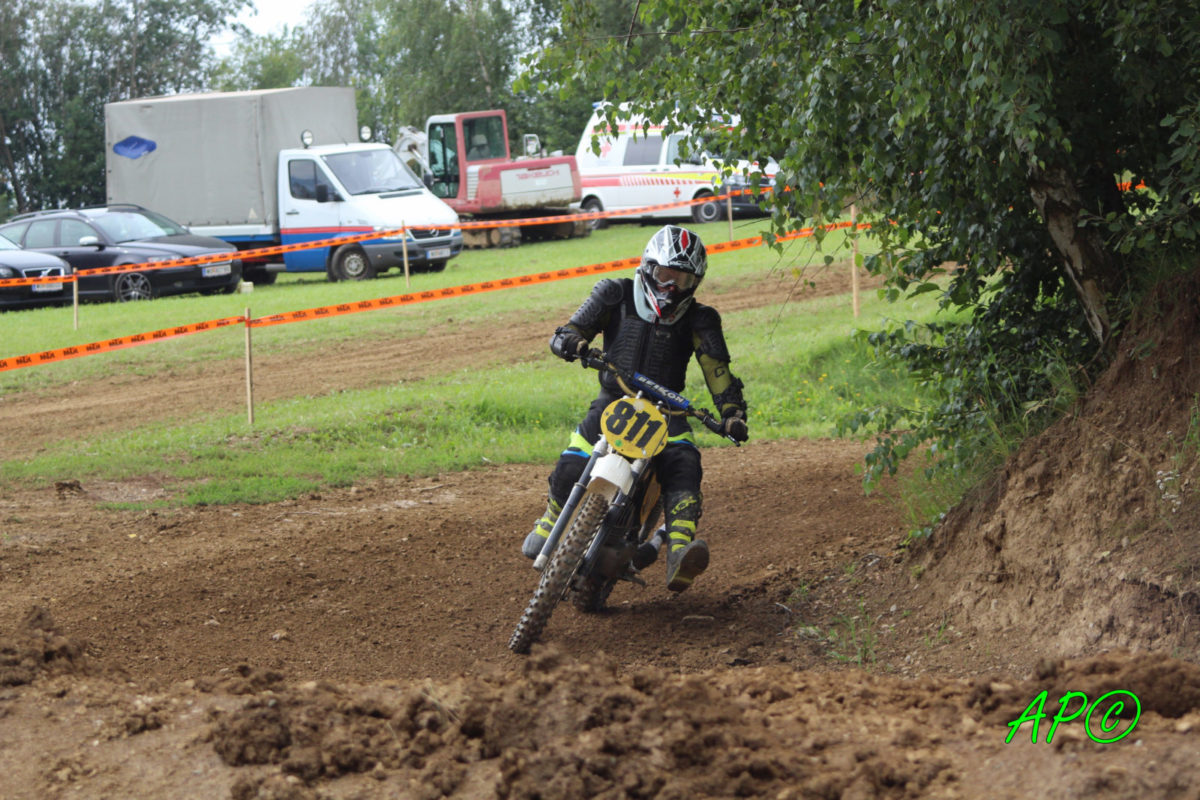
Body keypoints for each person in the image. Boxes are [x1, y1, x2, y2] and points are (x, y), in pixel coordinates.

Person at [522, 224, 749, 592]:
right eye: (665, 275)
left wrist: (732, 413)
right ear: (647, 267)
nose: (671, 287)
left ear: (695, 283)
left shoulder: (701, 318)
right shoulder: (613, 294)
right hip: (614, 400)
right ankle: (550, 521)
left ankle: (679, 550)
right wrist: (570, 343)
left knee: (684, 462)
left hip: (668, 412)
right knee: (574, 458)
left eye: (683, 280)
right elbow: (571, 329)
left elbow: (716, 369)